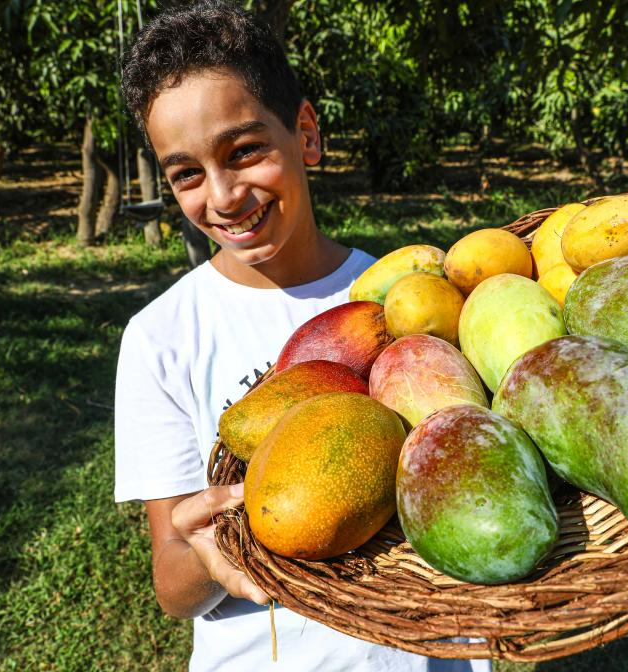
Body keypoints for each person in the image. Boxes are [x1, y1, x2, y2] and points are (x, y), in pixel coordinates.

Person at [114, 2, 491, 671]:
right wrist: (215, 552)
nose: (224, 195)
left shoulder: (411, 303)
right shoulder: (161, 338)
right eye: (187, 174)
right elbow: (171, 585)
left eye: (245, 151)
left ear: (306, 134)